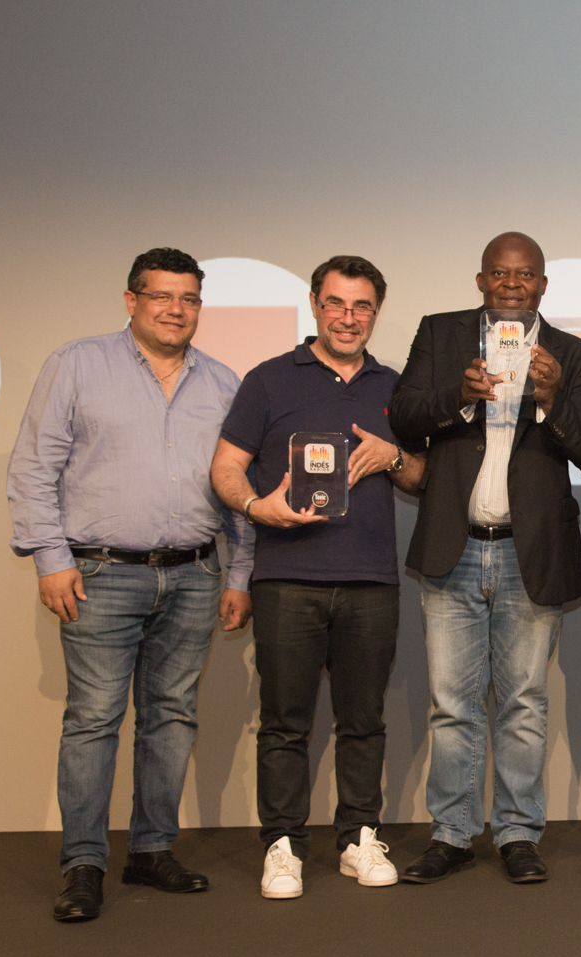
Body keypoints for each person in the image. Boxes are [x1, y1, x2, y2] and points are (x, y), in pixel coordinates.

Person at [8, 247, 254, 922]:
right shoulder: (77, 364)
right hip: (98, 575)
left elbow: (239, 489)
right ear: (131, 300)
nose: (176, 310)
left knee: (171, 717)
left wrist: (239, 572)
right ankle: (84, 864)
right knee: (92, 721)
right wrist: (49, 558)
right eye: (162, 297)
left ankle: (151, 850)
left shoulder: (223, 383)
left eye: (189, 299)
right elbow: (34, 469)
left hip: (197, 573)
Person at [389, 232, 581, 886]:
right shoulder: (441, 334)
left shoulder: (574, 354)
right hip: (453, 551)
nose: (513, 285)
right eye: (500, 274)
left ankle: (517, 833)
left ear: (543, 284)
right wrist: (458, 397)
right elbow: (403, 416)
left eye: (527, 275)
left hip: (528, 554)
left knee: (523, 703)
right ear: (481, 280)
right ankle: (453, 834)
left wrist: (552, 397)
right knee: (452, 705)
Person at [212, 256, 424, 900]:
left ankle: (360, 838)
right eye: (336, 304)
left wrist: (395, 457)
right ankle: (282, 846)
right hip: (288, 579)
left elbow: (422, 477)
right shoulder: (269, 380)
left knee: (364, 720)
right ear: (314, 304)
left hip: (370, 580)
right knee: (284, 721)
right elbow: (225, 468)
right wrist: (256, 506)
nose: (348, 318)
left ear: (376, 313)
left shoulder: (397, 385)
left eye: (362, 307)